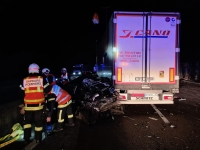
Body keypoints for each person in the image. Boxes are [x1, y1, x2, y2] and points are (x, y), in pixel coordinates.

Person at [19, 63, 50, 143]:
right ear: (37, 70)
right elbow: (47, 90)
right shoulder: (41, 79)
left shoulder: (24, 79)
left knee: (27, 123)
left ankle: (26, 138)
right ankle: (38, 139)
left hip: (27, 106)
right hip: (39, 106)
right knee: (38, 123)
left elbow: (21, 93)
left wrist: (23, 106)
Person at [41, 68, 57, 134]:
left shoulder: (49, 77)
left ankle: (49, 127)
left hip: (50, 95)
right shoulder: (49, 77)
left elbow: (48, 86)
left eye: (46, 72)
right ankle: (47, 126)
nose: (46, 74)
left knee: (49, 111)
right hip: (49, 95)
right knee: (48, 111)